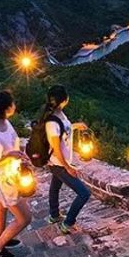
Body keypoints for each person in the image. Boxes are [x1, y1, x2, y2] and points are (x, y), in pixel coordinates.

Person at [0, 90, 31, 257]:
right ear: (6, 108)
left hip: (10, 173)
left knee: (1, 206)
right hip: (4, 180)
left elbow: (11, 145)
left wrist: (18, 154)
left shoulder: (4, 123)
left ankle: (3, 237)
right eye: (12, 103)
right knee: (25, 218)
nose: (14, 105)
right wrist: (10, 156)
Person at [44, 85, 91, 234]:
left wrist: (76, 126)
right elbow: (56, 147)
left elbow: (65, 129)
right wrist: (68, 167)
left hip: (58, 163)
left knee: (55, 187)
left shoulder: (59, 114)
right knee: (84, 193)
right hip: (58, 164)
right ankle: (68, 222)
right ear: (64, 100)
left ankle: (54, 215)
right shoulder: (51, 121)